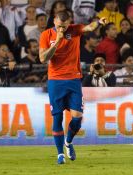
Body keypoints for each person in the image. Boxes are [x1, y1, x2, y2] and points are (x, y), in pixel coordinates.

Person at [39, 10, 107, 164]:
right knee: (57, 118)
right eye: (60, 26)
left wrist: (99, 23)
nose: (62, 29)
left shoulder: (74, 30)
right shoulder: (46, 35)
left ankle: (68, 142)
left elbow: (89, 27)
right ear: (55, 21)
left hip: (74, 80)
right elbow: (43, 58)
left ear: (69, 22)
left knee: (77, 117)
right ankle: (59, 154)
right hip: (55, 81)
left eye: (65, 26)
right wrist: (57, 41)